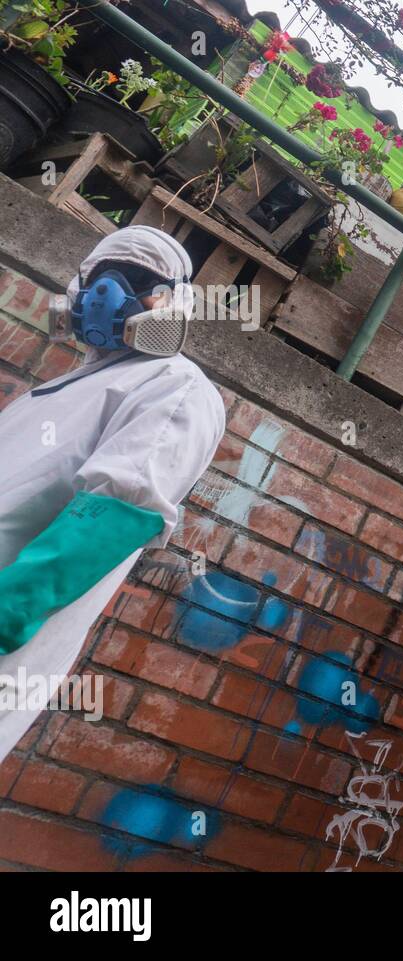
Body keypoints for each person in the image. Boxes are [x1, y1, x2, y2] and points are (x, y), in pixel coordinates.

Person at [0, 225, 225, 760]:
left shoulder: (175, 385)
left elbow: (112, 518)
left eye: (142, 282)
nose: (113, 293)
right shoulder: (44, 396)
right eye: (104, 277)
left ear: (176, 304)